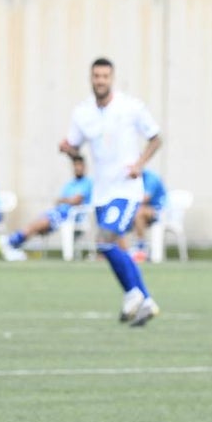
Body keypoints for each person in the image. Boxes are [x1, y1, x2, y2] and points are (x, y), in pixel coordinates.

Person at [59, 57, 162, 326]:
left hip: (126, 189)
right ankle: (146, 301)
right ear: (91, 79)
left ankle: (132, 293)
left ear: (112, 79)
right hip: (101, 191)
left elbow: (156, 137)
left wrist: (140, 164)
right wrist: (69, 150)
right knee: (115, 246)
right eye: (96, 76)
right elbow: (75, 149)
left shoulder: (130, 107)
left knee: (104, 240)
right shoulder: (82, 113)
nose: (100, 81)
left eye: (104, 76)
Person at [0, 153, 93, 261]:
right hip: (59, 213)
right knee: (38, 223)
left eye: (79, 165)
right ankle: (13, 244)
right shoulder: (70, 184)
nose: (77, 168)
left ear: (84, 167)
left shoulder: (88, 183)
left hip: (72, 216)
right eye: (75, 165)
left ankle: (11, 242)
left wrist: (66, 200)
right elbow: (59, 201)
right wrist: (66, 200)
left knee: (41, 224)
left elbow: (76, 200)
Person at [129, 167, 167, 262]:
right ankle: (118, 250)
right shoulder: (129, 178)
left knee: (139, 212)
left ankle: (141, 246)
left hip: (159, 211)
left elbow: (144, 199)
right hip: (140, 209)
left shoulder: (151, 178)